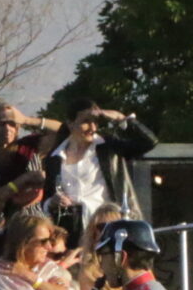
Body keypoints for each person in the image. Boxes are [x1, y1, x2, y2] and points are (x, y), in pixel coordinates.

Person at [43, 101, 159, 240]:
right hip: (72, 232)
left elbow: (149, 142)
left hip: (108, 228)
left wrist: (123, 119)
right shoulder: (55, 157)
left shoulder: (108, 147)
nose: (92, 127)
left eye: (95, 122)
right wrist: (52, 201)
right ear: (70, 123)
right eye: (85, 121)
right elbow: (47, 197)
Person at [0, 102, 60, 231]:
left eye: (12, 123)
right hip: (13, 225)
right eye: (2, 124)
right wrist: (24, 179)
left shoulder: (28, 146)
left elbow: (63, 131)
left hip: (42, 220)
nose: (7, 128)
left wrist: (27, 120)